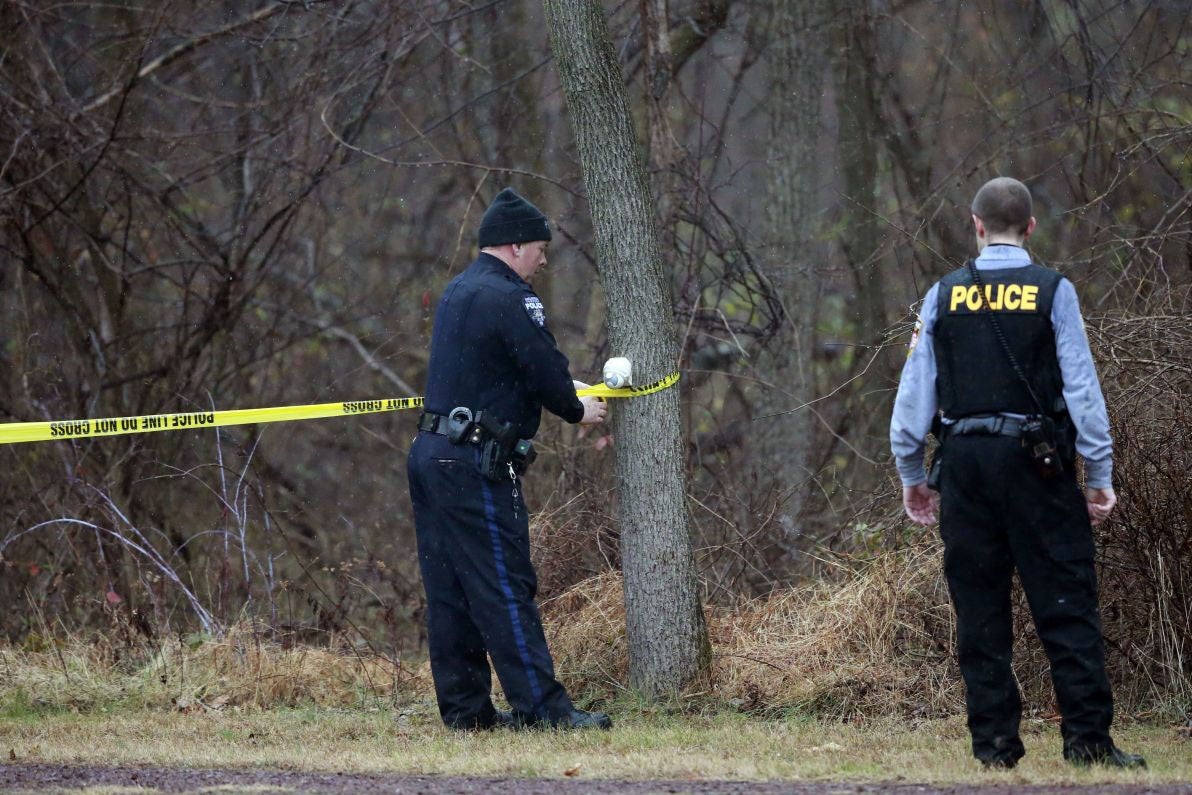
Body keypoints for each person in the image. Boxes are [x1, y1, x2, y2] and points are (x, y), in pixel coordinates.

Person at [889, 177, 1144, 769]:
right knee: (1066, 604)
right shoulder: (1054, 291)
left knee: (979, 609)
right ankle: (1087, 743)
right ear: (1030, 228)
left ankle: (995, 748)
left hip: (966, 465)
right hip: (1038, 463)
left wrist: (912, 473)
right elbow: (1082, 390)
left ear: (975, 224)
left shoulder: (942, 295)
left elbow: (912, 397)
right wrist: (1098, 474)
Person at [407, 187, 612, 731]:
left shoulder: (459, 289)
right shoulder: (511, 295)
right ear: (516, 245)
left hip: (433, 455)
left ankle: (467, 713)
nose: (544, 260)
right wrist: (577, 408)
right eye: (541, 249)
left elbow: (499, 368)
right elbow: (542, 364)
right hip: (476, 461)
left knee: (450, 588)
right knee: (503, 583)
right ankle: (545, 709)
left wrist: (557, 390)